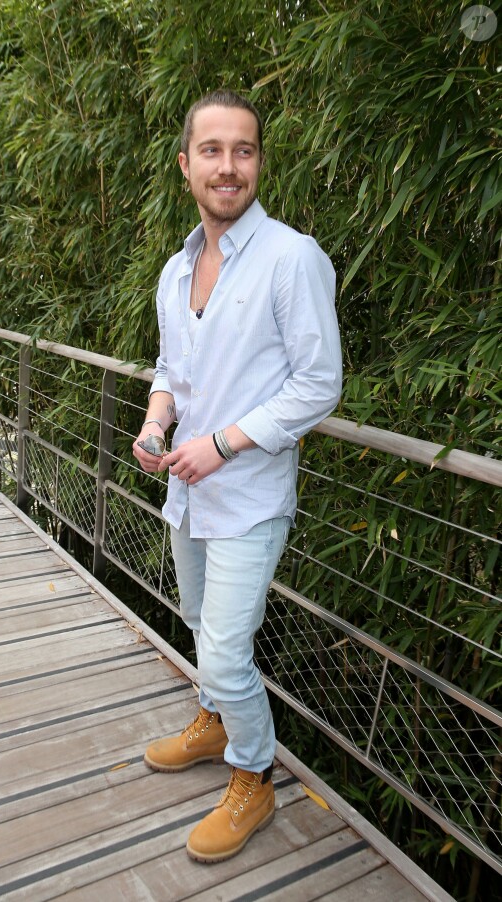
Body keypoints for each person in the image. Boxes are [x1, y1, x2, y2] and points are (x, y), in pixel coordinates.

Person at [133, 89, 342, 863]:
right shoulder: (175, 267)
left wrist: (220, 444)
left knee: (225, 650)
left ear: (259, 162)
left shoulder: (293, 257)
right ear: (186, 164)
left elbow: (319, 384)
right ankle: (216, 720)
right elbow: (170, 372)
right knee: (197, 622)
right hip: (186, 489)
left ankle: (253, 777)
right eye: (213, 151)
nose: (229, 166)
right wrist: (157, 422)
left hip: (250, 494)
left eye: (244, 150)